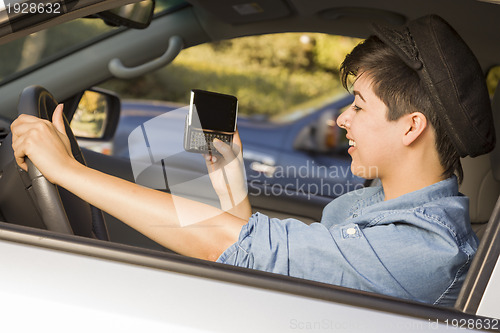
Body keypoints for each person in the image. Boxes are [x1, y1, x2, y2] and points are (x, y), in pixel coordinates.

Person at [10, 15, 495, 306]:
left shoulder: (425, 253)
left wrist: (67, 171)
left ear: (411, 127)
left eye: (360, 106)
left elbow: (226, 245)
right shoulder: (366, 206)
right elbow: (256, 263)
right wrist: (228, 177)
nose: (342, 119)